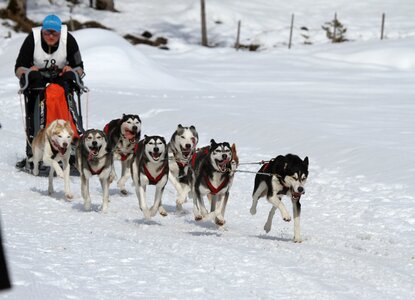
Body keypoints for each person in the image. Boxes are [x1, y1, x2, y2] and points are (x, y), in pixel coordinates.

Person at [15, 14, 84, 169]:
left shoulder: (69, 40)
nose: (51, 36)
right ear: (42, 32)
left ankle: (72, 142)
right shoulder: (32, 39)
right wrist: (28, 70)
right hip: (37, 82)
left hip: (60, 79)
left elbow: (80, 67)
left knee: (63, 86)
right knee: (37, 84)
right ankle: (36, 148)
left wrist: (72, 69)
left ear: (60, 32)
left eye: (54, 33)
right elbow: (19, 67)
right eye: (47, 33)